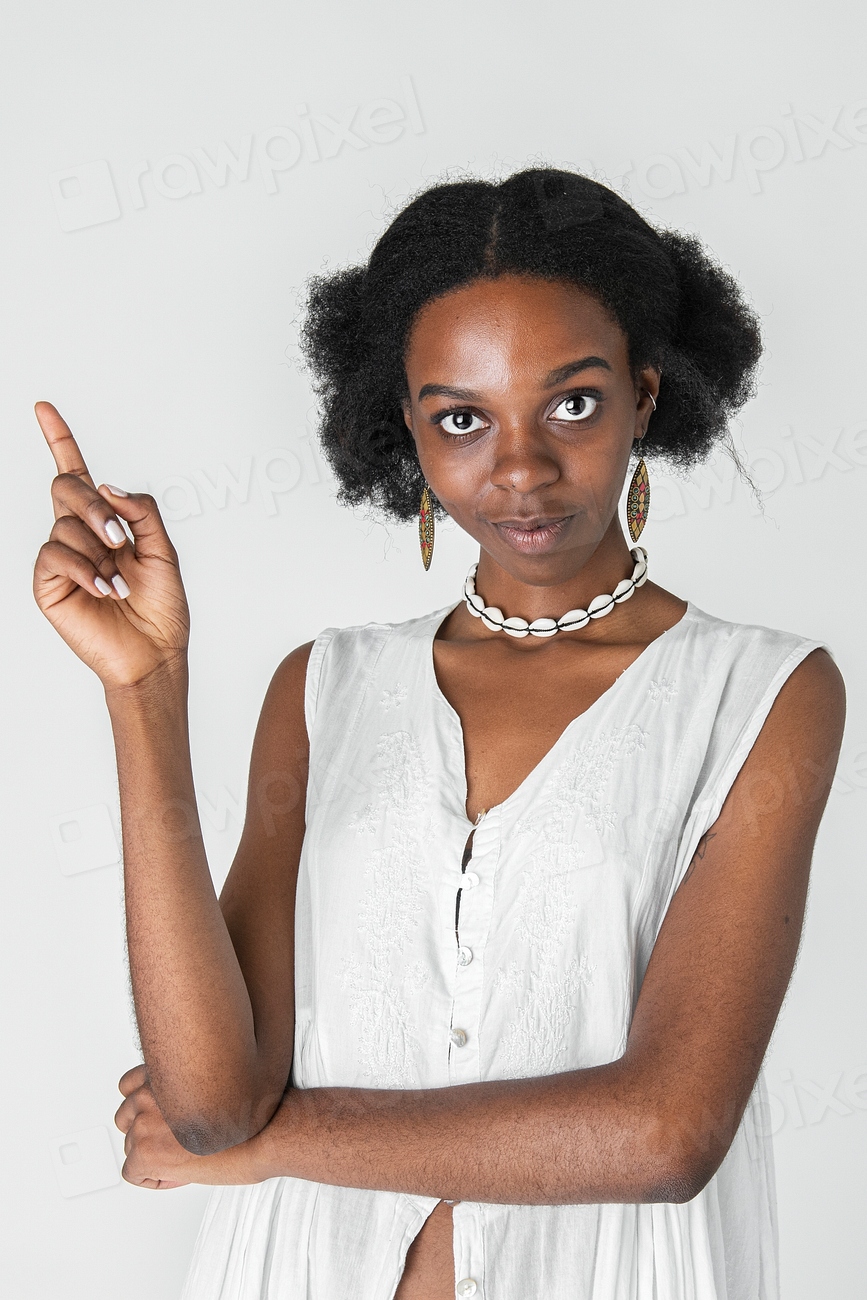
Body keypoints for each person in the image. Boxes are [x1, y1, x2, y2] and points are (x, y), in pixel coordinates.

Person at [32, 168, 845, 1300]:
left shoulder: (760, 693)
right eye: (461, 418)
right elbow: (212, 1096)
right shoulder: (324, 688)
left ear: (646, 396)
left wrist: (275, 1142)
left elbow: (665, 1134)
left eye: (572, 402)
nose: (520, 468)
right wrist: (146, 692)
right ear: (404, 430)